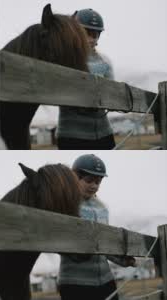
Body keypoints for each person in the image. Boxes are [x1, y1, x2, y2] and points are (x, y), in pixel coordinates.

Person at [58, 154, 136, 300]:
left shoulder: (102, 208)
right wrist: (80, 253)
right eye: (89, 181)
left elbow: (103, 244)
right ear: (75, 177)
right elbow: (57, 238)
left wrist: (121, 259)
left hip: (106, 281)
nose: (94, 185)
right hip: (75, 283)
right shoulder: (65, 203)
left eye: (98, 182)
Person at [57, 9, 116, 150]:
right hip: (72, 135)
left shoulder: (105, 62)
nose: (92, 38)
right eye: (87, 32)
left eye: (96, 34)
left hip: (104, 133)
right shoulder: (62, 58)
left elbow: (113, 93)